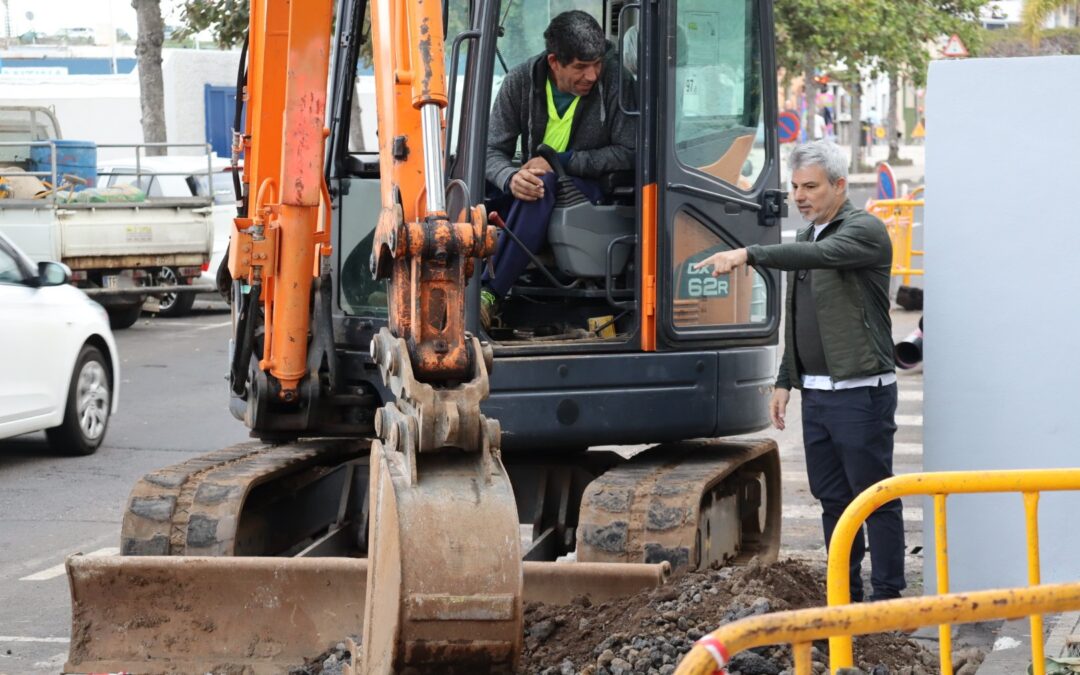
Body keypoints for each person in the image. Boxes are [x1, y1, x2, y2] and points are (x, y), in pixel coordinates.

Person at [693, 140, 903, 603]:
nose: (800, 196)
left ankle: (889, 599)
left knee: (874, 497)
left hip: (861, 393)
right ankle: (844, 596)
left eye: (811, 186)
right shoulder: (808, 238)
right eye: (794, 188)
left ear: (840, 185)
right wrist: (786, 380)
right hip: (819, 393)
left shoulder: (862, 231)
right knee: (832, 499)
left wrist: (748, 254)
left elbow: (821, 258)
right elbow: (797, 316)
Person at [481, 10, 637, 329]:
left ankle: (490, 294)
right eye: (581, 67)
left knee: (542, 184)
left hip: (594, 188)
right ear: (554, 62)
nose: (592, 75)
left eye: (597, 64)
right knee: (471, 190)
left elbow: (629, 152)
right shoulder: (520, 83)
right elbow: (490, 150)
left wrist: (563, 161)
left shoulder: (616, 82)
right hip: (538, 187)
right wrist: (510, 178)